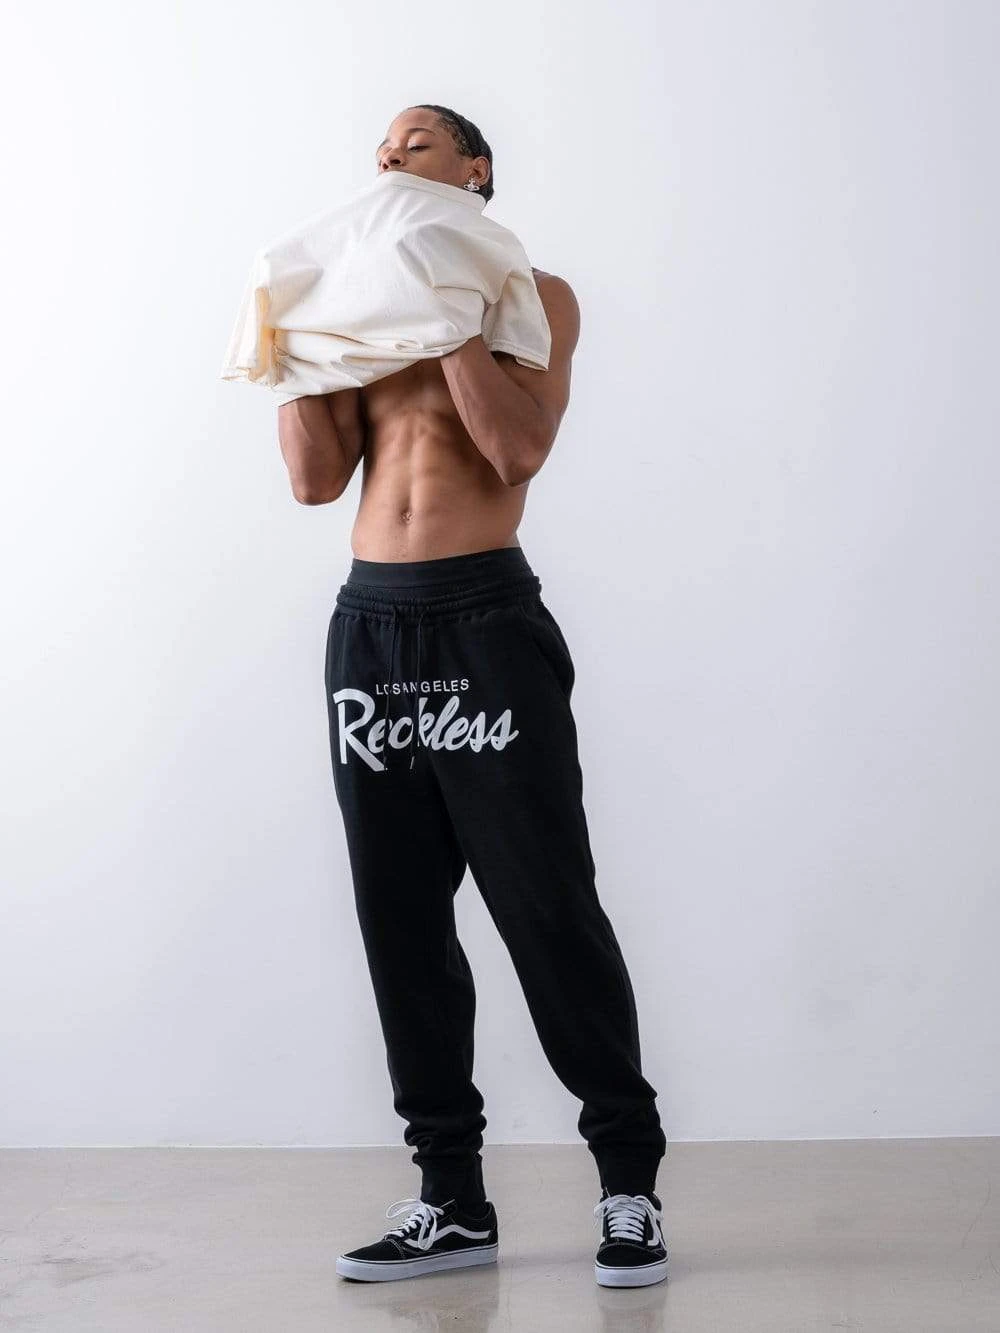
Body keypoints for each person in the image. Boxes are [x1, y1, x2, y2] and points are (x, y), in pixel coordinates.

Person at [277, 104, 668, 1289]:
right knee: (399, 918)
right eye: (381, 149)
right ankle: (450, 1198)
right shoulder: (357, 307)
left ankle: (628, 1185)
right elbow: (314, 483)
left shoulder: (531, 293)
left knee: (545, 904)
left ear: (474, 169)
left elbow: (516, 452)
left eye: (416, 142)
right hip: (370, 626)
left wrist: (444, 317)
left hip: (485, 621)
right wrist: (295, 346)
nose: (388, 157)